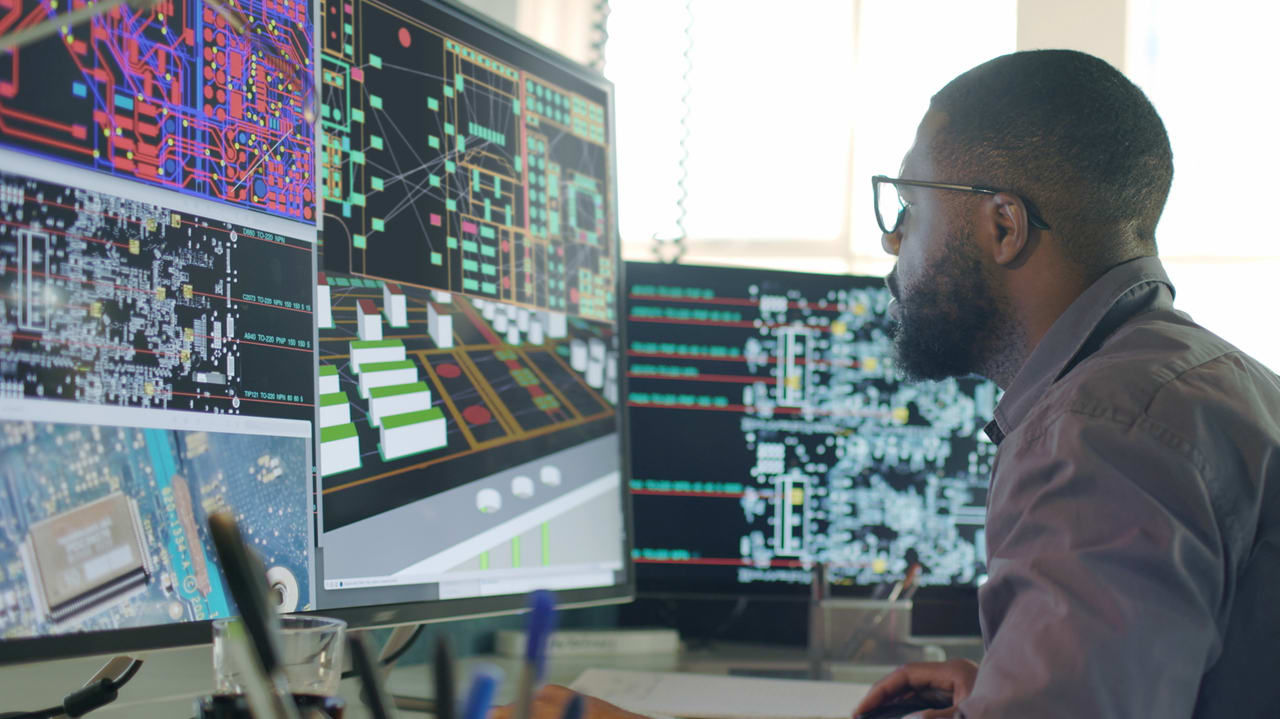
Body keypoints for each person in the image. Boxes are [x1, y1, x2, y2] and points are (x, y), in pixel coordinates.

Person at [494, 49, 1280, 719]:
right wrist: (1008, 689)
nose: (891, 240)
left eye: (908, 207)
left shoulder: (1099, 435)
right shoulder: (1199, 380)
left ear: (1003, 226)